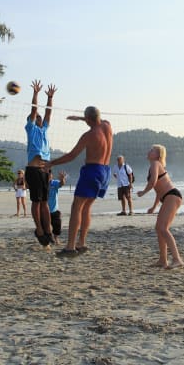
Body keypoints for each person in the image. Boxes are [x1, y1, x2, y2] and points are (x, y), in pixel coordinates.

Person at [43, 105, 113, 257]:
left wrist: (52, 163)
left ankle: (70, 247)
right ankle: (82, 243)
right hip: (105, 171)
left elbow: (71, 155)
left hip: (92, 170)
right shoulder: (107, 126)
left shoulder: (89, 135)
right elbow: (97, 119)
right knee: (86, 207)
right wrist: (81, 118)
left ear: (88, 120)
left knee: (77, 207)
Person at [135, 143, 184, 269]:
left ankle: (177, 259)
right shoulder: (153, 166)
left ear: (158, 155)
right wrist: (154, 206)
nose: (149, 151)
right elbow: (158, 190)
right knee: (159, 228)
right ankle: (163, 260)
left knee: (163, 228)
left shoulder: (155, 164)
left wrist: (143, 192)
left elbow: (153, 182)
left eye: (152, 150)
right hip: (168, 197)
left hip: (172, 196)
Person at [25, 80, 57, 247]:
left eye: (38, 117)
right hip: (33, 169)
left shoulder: (44, 128)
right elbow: (34, 109)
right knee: (36, 202)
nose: (37, 117)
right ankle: (39, 229)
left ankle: (48, 230)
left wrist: (50, 97)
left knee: (45, 202)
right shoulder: (31, 128)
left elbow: (48, 113)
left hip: (45, 169)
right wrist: (36, 93)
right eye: (35, 117)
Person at [48, 170, 67, 244]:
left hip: (54, 209)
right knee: (46, 226)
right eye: (47, 174)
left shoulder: (54, 183)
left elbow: (61, 184)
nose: (49, 176)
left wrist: (62, 179)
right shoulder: (42, 184)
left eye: (50, 174)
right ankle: (50, 238)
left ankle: (56, 238)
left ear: (52, 175)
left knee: (57, 226)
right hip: (44, 210)